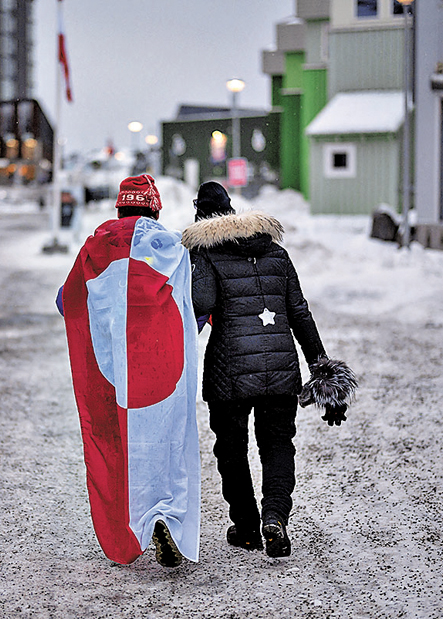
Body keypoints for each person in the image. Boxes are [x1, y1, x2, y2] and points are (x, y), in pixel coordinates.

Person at [181, 181, 356, 558]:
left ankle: (246, 527)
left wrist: (196, 259)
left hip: (229, 371)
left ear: (201, 220)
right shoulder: (276, 252)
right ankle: (274, 517)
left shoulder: (207, 254)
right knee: (277, 444)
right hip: (280, 368)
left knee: (231, 449)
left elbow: (202, 301)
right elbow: (300, 314)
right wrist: (324, 374)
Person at [57, 174, 200, 568]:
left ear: (120, 207)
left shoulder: (95, 247)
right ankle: (165, 514)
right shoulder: (171, 248)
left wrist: (108, 318)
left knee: (117, 444)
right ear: (155, 209)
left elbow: (67, 301)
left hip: (114, 367)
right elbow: (192, 302)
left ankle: (132, 526)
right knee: (167, 442)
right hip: (160, 362)